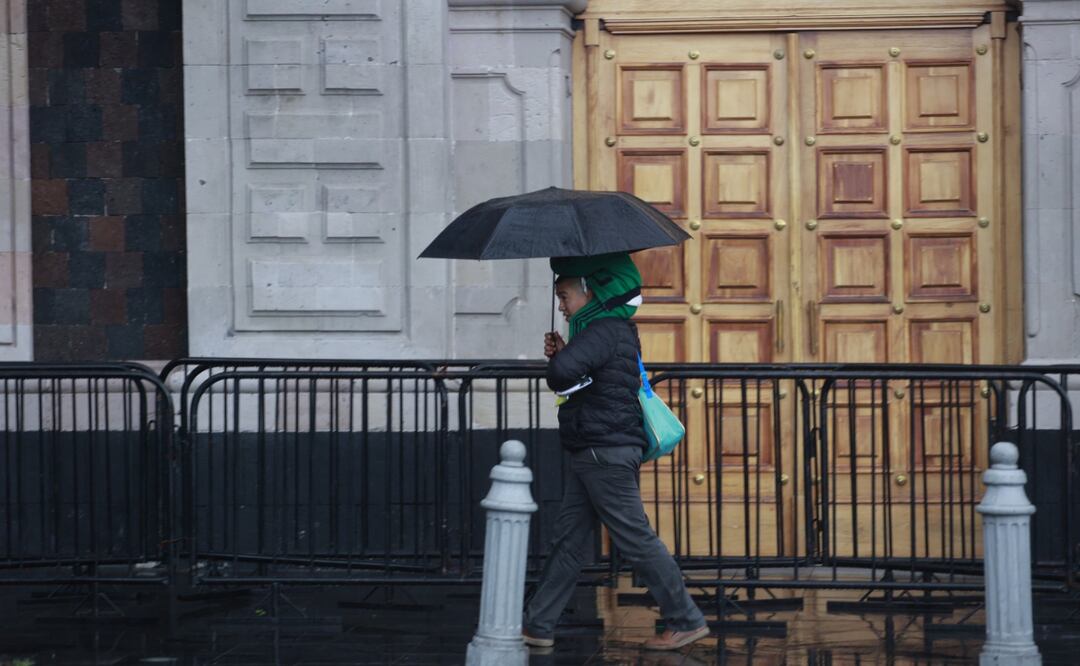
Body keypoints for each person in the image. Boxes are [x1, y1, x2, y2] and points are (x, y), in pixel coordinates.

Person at [522, 253, 709, 652]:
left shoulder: (604, 330)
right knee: (569, 542)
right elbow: (577, 376)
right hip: (595, 450)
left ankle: (686, 618)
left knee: (636, 539)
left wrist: (560, 357)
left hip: (603, 452)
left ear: (590, 291)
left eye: (565, 294)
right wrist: (565, 350)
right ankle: (538, 625)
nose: (561, 304)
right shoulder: (606, 331)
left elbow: (559, 376)